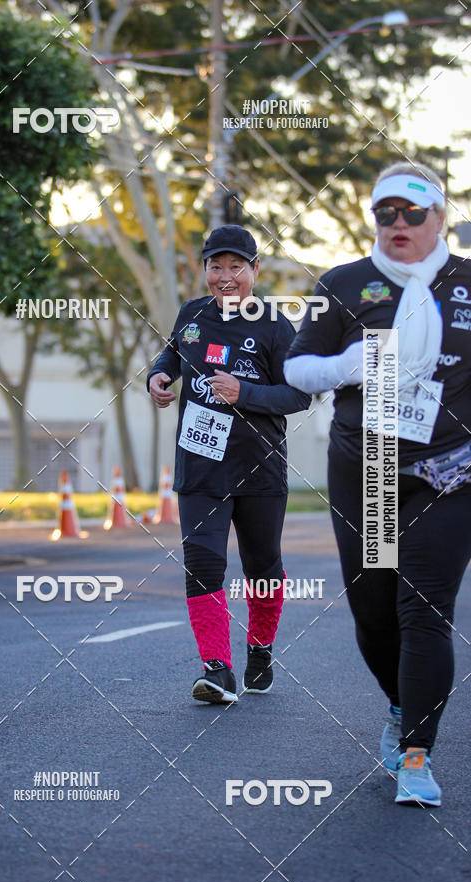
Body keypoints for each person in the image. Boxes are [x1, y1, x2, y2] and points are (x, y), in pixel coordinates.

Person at [284, 162, 471, 806]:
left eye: (411, 214)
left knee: (424, 610)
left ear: (438, 217)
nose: (397, 224)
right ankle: (401, 704)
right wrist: (344, 364)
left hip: (450, 473)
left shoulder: (469, 281)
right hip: (369, 470)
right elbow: (297, 367)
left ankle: (416, 754)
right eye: (384, 213)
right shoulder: (342, 283)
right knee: (373, 611)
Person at [147, 225, 310, 704]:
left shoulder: (276, 326)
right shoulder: (191, 314)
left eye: (235, 267)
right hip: (200, 466)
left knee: (262, 567)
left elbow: (300, 393)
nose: (225, 277)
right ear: (204, 270)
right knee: (203, 562)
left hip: (258, 468)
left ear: (255, 270)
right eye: (215, 267)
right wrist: (159, 375)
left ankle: (260, 648)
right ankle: (217, 670)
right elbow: (173, 354)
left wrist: (248, 394)